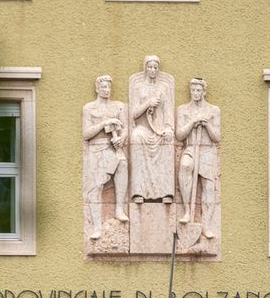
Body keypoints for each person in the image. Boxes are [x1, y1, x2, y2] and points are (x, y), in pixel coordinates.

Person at [81, 75, 130, 239]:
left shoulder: (118, 107)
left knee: (122, 163)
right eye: (103, 87)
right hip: (96, 149)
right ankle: (96, 226)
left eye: (109, 87)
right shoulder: (90, 108)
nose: (107, 90)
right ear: (97, 88)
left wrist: (121, 138)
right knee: (96, 187)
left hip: (113, 147)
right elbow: (86, 134)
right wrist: (103, 123)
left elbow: (125, 129)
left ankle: (119, 208)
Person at [176, 77, 220, 240]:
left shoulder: (213, 110)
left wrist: (207, 124)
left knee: (208, 187)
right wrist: (192, 122)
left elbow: (217, 138)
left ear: (204, 92)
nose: (195, 93)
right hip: (191, 147)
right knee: (185, 166)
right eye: (193, 90)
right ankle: (187, 210)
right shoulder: (183, 110)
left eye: (198, 90)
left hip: (207, 150)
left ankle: (206, 225)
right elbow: (180, 135)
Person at [128, 55, 175, 203]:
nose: (152, 70)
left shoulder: (164, 88)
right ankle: (138, 192)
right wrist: (148, 103)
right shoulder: (138, 87)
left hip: (159, 129)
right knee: (136, 137)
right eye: (150, 67)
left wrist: (168, 128)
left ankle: (166, 192)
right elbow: (134, 114)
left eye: (155, 67)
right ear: (145, 68)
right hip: (143, 128)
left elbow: (168, 111)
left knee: (168, 141)